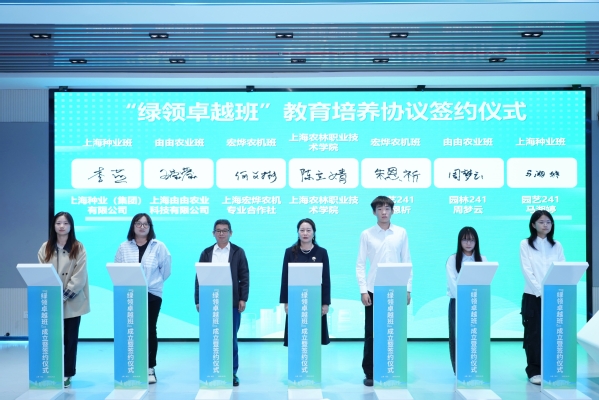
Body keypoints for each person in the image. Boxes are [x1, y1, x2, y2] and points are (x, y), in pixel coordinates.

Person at [356, 196, 412, 387]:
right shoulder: (367, 234)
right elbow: (360, 264)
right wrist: (363, 290)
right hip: (373, 289)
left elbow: (407, 261)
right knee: (371, 332)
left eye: (387, 208)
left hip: (396, 289)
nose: (384, 212)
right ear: (374, 212)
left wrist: (408, 288)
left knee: (395, 331)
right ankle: (370, 372)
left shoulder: (401, 233)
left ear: (392, 211)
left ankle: (393, 369)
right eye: (379, 208)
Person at [114, 213, 171, 384]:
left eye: (146, 224)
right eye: (138, 223)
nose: (142, 227)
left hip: (152, 293)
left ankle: (149, 367)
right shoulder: (124, 247)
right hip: (129, 294)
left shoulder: (159, 246)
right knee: (130, 330)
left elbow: (166, 270)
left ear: (150, 227)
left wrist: (152, 283)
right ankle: (131, 366)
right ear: (133, 226)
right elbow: (118, 269)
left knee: (150, 329)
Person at [194, 219, 249, 387]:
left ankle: (231, 372)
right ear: (213, 233)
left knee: (230, 338)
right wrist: (198, 300)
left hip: (231, 302)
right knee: (211, 338)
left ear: (231, 233)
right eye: (218, 230)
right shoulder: (206, 253)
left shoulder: (238, 252)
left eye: (225, 230)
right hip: (210, 303)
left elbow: (244, 276)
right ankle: (212, 370)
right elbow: (199, 277)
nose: (221, 233)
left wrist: (243, 298)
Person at [37, 211, 89, 389]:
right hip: (51, 302)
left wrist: (65, 295)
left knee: (70, 339)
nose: (61, 226)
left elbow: (80, 276)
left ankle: (67, 373)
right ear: (53, 226)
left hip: (73, 301)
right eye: (58, 223)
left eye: (65, 223)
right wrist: (53, 296)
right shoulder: (45, 247)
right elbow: (42, 272)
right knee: (52, 339)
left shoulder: (78, 247)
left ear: (71, 226)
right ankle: (51, 371)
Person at [520, 210, 564, 385]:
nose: (545, 225)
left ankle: (551, 368)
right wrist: (540, 291)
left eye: (548, 222)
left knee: (553, 333)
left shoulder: (557, 245)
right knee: (534, 334)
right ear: (533, 224)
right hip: (533, 296)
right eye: (541, 222)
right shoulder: (525, 244)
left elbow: (562, 268)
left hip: (553, 296)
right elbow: (527, 270)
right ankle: (534, 371)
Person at [279, 218, 331, 347]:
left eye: (308, 230)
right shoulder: (290, 252)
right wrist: (286, 302)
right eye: (302, 230)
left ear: (314, 232)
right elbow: (285, 278)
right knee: (296, 337)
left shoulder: (322, 252)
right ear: (298, 232)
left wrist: (325, 303)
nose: (305, 233)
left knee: (314, 337)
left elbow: (326, 279)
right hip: (295, 299)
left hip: (315, 299)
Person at [446, 227, 486, 374]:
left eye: (472, 240)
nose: (468, 243)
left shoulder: (483, 259)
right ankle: (459, 369)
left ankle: (475, 367)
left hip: (477, 303)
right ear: (459, 241)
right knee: (457, 336)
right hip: (458, 303)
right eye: (465, 239)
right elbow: (452, 282)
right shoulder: (453, 259)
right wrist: (464, 300)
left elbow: (485, 281)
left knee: (476, 336)